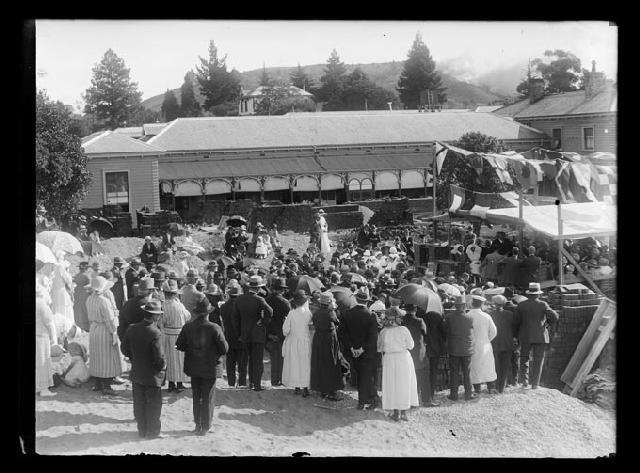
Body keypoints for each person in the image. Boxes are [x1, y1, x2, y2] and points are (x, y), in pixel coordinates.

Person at [176, 294, 228, 436]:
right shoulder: (215, 328)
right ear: (208, 313)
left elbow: (179, 345)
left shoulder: (188, 327)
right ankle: (206, 426)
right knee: (208, 397)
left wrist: (191, 349)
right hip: (210, 367)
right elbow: (224, 349)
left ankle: (197, 424)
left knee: (196, 395)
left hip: (193, 366)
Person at [121, 300, 166, 439]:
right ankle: (153, 432)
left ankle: (142, 430)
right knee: (154, 405)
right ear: (155, 316)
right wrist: (162, 367)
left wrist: (134, 358)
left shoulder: (132, 328)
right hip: (152, 375)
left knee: (139, 403)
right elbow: (159, 357)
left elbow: (124, 349)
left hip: (137, 372)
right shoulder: (155, 332)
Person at [232, 275, 273, 391]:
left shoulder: (240, 299)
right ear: (258, 288)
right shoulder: (260, 299)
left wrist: (239, 332)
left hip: (245, 334)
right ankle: (257, 385)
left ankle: (250, 383)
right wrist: (263, 321)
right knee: (257, 360)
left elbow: (234, 318)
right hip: (258, 334)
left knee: (249, 359)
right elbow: (270, 311)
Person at [378, 306, 419, 422]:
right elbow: (411, 345)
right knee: (404, 383)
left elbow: (379, 348)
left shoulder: (383, 332)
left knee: (392, 384)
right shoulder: (404, 330)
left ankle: (396, 412)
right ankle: (404, 412)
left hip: (389, 359)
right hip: (403, 357)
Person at [514, 282, 559, 389]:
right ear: (538, 294)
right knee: (538, 360)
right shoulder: (543, 304)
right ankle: (535, 384)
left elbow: (516, 321)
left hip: (525, 336)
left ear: (529, 293)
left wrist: (517, 334)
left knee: (524, 358)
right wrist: (547, 322)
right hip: (540, 336)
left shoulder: (521, 305)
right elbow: (555, 317)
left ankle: (524, 382)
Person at [342, 287, 380, 410]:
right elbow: (373, 337)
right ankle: (365, 401)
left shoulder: (347, 313)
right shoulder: (371, 315)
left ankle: (364, 401)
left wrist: (352, 348)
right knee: (367, 376)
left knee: (359, 375)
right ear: (367, 301)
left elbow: (343, 333)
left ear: (356, 299)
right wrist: (362, 349)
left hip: (353, 352)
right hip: (367, 352)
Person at [85, 276, 122, 396]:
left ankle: (98, 383)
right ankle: (106, 385)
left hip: (94, 329)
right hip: (104, 330)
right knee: (107, 357)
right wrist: (114, 332)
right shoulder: (104, 301)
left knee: (96, 357)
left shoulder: (89, 299)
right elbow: (109, 320)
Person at [310, 292, 346, 401]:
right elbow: (337, 322)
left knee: (320, 363)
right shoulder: (330, 312)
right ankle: (331, 390)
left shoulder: (316, 313)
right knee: (331, 363)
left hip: (318, 339)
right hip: (329, 340)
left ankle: (322, 389)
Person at [159, 279, 190, 393]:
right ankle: (179, 383)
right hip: (178, 334)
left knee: (169, 360)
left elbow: (161, 321)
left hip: (166, 334)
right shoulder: (179, 305)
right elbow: (188, 317)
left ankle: (171, 384)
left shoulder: (162, 305)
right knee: (179, 360)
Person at [282, 289, 313, 397]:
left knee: (295, 364)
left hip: (293, 341)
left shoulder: (291, 313)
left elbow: (285, 331)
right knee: (305, 364)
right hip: (305, 341)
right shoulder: (308, 313)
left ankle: (297, 387)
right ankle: (305, 387)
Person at [444, 294, 476, 401]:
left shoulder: (449, 317)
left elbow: (446, 330)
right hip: (467, 349)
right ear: (464, 305)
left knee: (454, 372)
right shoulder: (470, 317)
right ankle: (469, 394)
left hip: (454, 348)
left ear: (455, 306)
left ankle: (454, 395)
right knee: (467, 372)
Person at [401, 304, 432, 407]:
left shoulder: (401, 321)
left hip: (405, 352)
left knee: (407, 378)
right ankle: (426, 400)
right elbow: (425, 334)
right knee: (423, 377)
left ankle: (410, 400)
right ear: (415, 310)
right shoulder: (419, 321)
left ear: (405, 310)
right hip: (419, 352)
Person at [468, 295, 498, 394]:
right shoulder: (486, 316)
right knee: (488, 365)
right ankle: (491, 387)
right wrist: (487, 339)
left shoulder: (468, 315)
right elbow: (494, 331)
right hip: (485, 344)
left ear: (472, 303)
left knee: (475, 366)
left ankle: (477, 389)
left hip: (472, 344)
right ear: (481, 304)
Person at [219, 286, 248, 387]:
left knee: (230, 363)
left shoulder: (223, 307)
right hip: (240, 338)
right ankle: (242, 383)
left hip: (229, 337)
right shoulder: (242, 307)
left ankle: (231, 383)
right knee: (242, 364)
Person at [265, 278, 291, 387]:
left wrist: (268, 333)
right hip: (281, 333)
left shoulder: (266, 300)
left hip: (269, 332)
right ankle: (280, 379)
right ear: (282, 290)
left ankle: (274, 380)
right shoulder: (285, 302)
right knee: (281, 358)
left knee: (274, 358)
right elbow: (289, 319)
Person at [488, 295, 516, 393]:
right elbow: (514, 328)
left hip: (494, 343)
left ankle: (495, 386)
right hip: (507, 343)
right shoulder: (510, 314)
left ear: (494, 304)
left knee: (496, 366)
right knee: (505, 366)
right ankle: (501, 388)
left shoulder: (490, 314)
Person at [117, 278, 157, 343]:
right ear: (151, 291)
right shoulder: (150, 306)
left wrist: (124, 342)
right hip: (144, 344)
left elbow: (121, 326)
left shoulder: (127, 303)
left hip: (128, 342)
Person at [36, 283, 57, 397]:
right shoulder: (42, 304)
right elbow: (50, 323)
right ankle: (44, 388)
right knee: (43, 362)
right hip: (41, 337)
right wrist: (54, 339)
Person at [50, 250, 75, 333]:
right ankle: (66, 328)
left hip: (54, 291)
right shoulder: (60, 266)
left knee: (56, 308)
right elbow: (67, 279)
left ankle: (57, 328)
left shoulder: (52, 265)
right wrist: (67, 271)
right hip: (61, 290)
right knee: (64, 308)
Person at [73, 261, 92, 333]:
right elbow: (90, 286)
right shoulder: (87, 276)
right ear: (86, 268)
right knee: (85, 310)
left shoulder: (77, 275)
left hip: (77, 292)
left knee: (78, 310)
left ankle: (79, 325)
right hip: (85, 293)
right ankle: (86, 327)